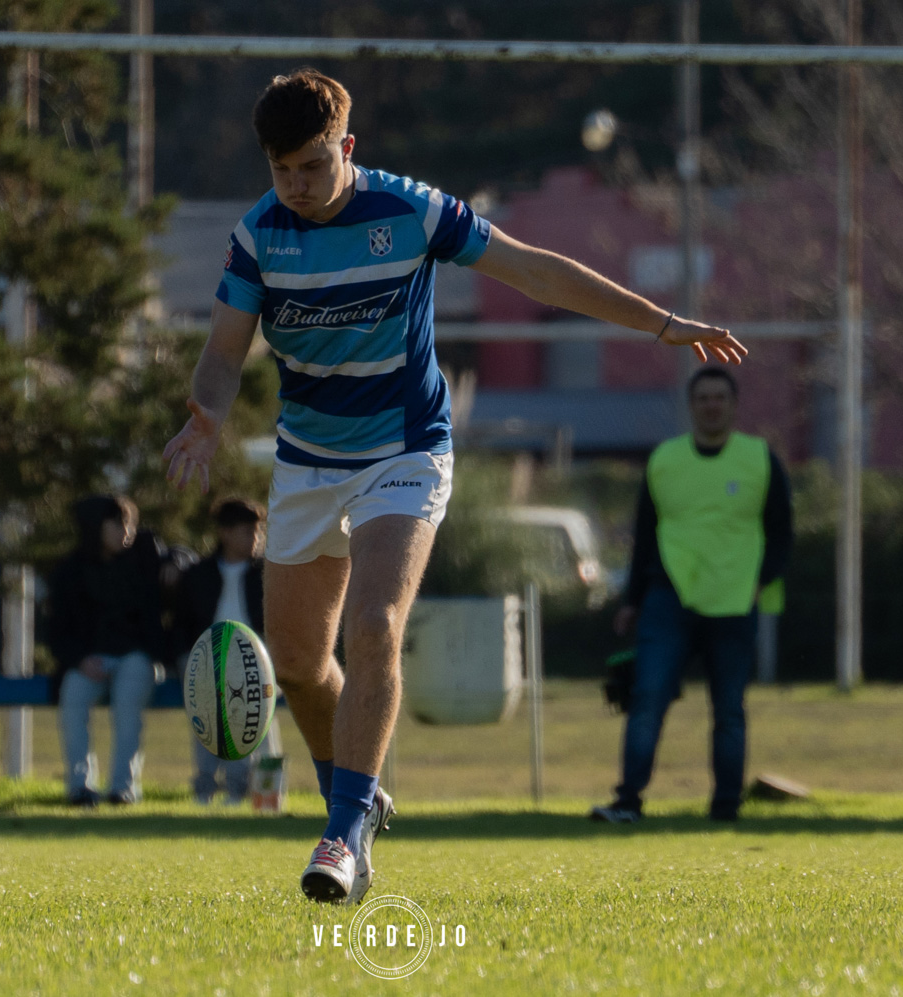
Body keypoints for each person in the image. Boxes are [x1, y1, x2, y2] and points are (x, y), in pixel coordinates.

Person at [161, 68, 747, 903]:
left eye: (311, 165)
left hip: (405, 450)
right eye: (280, 169)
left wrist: (659, 322)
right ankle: (356, 795)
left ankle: (345, 830)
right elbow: (223, 354)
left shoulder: (411, 212)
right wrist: (205, 419)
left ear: (347, 147)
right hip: (306, 461)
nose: (295, 185)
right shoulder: (259, 235)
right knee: (297, 663)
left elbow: (535, 271)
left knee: (375, 626)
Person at [591, 367, 792, 825]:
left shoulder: (759, 459)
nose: (711, 405)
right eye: (703, 397)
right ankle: (628, 802)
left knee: (728, 710)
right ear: (691, 404)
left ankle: (725, 808)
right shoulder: (665, 460)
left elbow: (782, 532)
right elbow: (645, 534)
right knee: (647, 700)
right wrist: (631, 601)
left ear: (733, 404)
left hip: (734, 600)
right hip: (668, 597)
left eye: (720, 397)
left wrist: (762, 578)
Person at [46, 494, 180, 807]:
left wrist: (176, 565)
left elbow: (181, 554)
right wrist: (79, 660)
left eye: (130, 523)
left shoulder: (144, 556)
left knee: (128, 707)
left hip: (137, 656)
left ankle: (123, 788)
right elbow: (56, 632)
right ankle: (80, 788)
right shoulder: (70, 571)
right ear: (96, 527)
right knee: (73, 698)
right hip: (88, 660)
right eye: (118, 524)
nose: (127, 531)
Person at [171, 497, 268, 804]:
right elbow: (180, 626)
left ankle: (238, 785)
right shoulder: (198, 575)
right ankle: (206, 785)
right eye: (246, 531)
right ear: (225, 533)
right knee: (208, 702)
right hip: (205, 659)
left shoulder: (268, 575)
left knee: (237, 700)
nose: (255, 538)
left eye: (257, 531)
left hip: (254, 660)